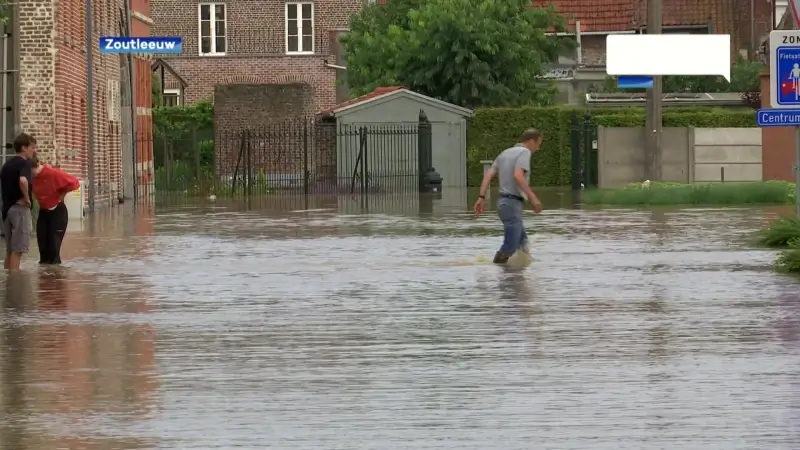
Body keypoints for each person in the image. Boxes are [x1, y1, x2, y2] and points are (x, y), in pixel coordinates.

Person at [473, 129, 544, 264]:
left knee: (523, 244)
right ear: (530, 141)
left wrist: (481, 197)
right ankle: (501, 277)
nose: (538, 148)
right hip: (512, 203)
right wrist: (533, 198)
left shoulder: (504, 153)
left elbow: (488, 175)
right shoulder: (525, 152)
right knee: (509, 248)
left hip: (502, 204)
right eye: (538, 144)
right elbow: (518, 176)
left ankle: (519, 276)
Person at [30, 155, 80, 265]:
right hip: (43, 212)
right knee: (43, 248)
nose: (29, 175)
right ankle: (45, 278)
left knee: (53, 249)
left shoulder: (52, 173)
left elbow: (74, 182)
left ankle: (56, 278)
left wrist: (61, 195)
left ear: (35, 166)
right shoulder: (32, 178)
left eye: (30, 172)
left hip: (57, 212)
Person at [0, 133, 36, 270]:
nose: (34, 151)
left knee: (10, 250)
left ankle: (8, 283)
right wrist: (27, 199)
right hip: (20, 209)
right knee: (18, 250)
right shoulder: (24, 163)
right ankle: (15, 284)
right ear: (24, 148)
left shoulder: (6, 165)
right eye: (32, 147)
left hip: (6, 210)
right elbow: (23, 180)